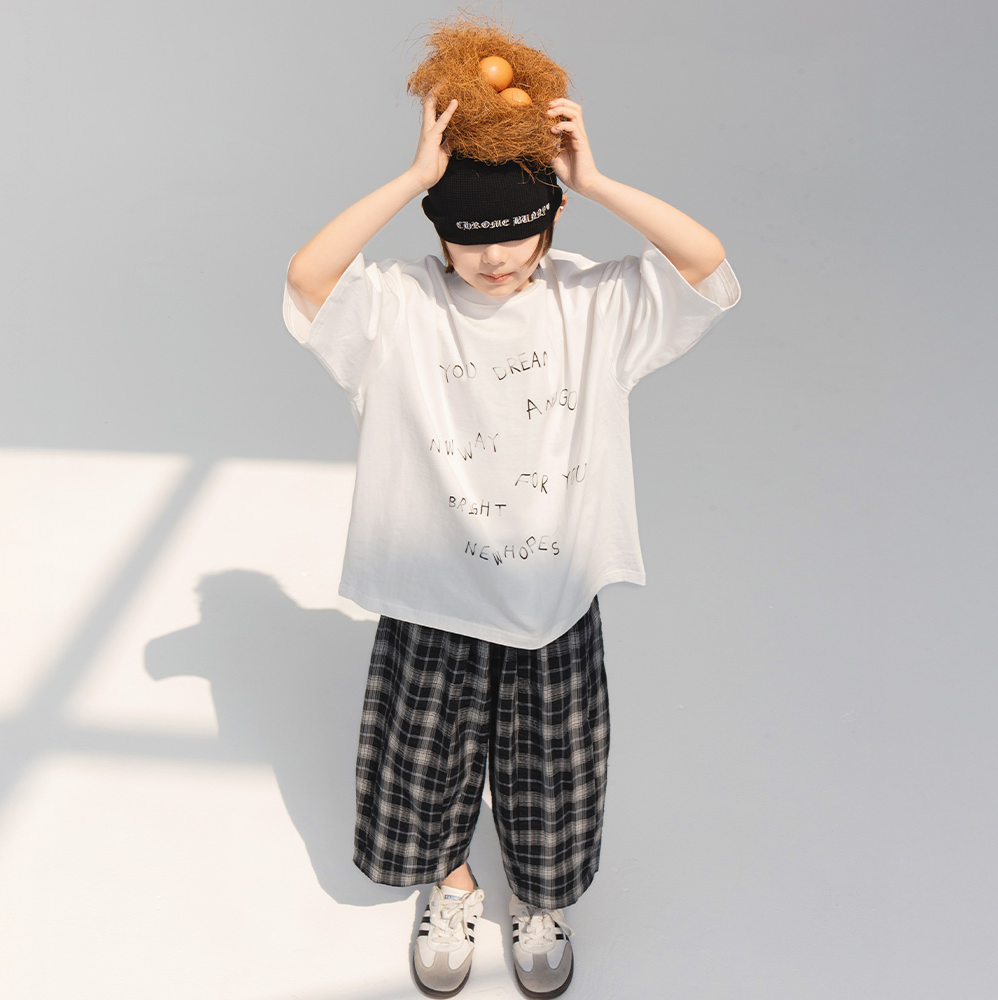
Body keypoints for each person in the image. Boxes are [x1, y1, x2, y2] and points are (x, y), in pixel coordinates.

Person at [282, 93, 740, 998]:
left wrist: (594, 181)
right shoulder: (399, 305)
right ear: (437, 229)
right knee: (422, 765)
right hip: (431, 590)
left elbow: (705, 263)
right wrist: (415, 175)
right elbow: (308, 276)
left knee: (554, 771)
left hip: (551, 596)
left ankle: (538, 899)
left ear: (552, 219)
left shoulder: (595, 303)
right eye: (467, 236)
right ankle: (452, 885)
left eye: (517, 233)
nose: (493, 258)